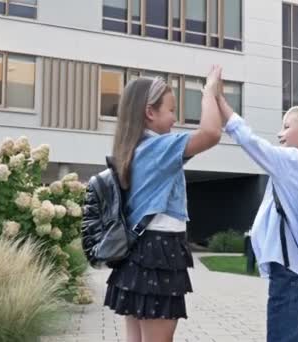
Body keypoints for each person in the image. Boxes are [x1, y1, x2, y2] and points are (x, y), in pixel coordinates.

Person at [104, 65, 224, 342]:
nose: (174, 119)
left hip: (135, 253)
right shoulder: (159, 148)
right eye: (171, 110)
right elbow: (211, 133)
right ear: (150, 112)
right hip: (159, 252)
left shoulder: (133, 149)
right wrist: (208, 92)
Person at [218, 97, 298, 342]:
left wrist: (219, 101)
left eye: (286, 126)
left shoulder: (294, 161)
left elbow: (251, 142)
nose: (279, 133)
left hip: (293, 277)